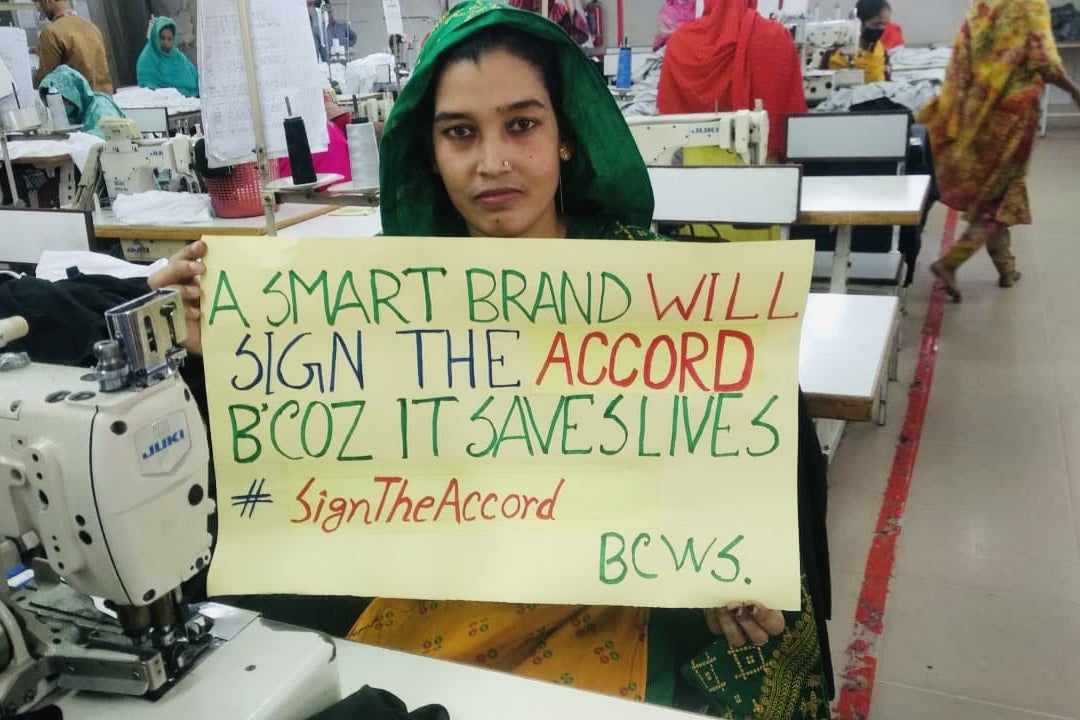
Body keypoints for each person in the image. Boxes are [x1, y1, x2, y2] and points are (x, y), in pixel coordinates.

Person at [148, 3, 832, 716]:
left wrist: (736, 581)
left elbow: (735, 479)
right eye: (460, 133)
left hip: (607, 614)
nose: (493, 161)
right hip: (427, 595)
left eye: (522, 124)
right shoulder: (373, 301)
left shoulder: (672, 297)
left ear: (566, 136)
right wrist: (209, 350)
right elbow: (294, 453)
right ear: (430, 150)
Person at [922, 0, 1080, 302]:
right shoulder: (1031, 4)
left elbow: (963, 53)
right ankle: (950, 262)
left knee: (992, 189)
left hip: (977, 112)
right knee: (1001, 196)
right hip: (1012, 115)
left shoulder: (984, 5)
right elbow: (1044, 61)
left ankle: (1007, 268)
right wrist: (1074, 90)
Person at [657, 0, 807, 159]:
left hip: (698, 166)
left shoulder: (680, 42)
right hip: (763, 165)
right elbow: (791, 117)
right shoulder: (776, 37)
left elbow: (668, 114)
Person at [32, 0, 113, 94]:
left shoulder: (51, 33)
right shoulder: (92, 27)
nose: (38, 9)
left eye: (37, 3)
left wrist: (30, 80)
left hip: (80, 104)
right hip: (104, 101)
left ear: (47, 1)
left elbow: (48, 80)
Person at [38, 64, 124, 138]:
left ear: (73, 94)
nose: (61, 106)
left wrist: (76, 139)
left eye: (63, 100)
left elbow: (109, 134)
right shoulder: (74, 115)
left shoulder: (100, 106)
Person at [828, 0, 901, 83]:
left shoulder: (880, 49)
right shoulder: (835, 53)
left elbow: (886, 78)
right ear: (859, 23)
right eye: (876, 24)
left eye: (885, 24)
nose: (881, 28)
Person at [137, 16, 199, 98]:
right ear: (155, 37)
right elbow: (149, 91)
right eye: (162, 38)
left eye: (169, 39)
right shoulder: (147, 59)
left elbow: (194, 79)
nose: (166, 42)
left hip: (192, 101)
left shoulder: (178, 56)